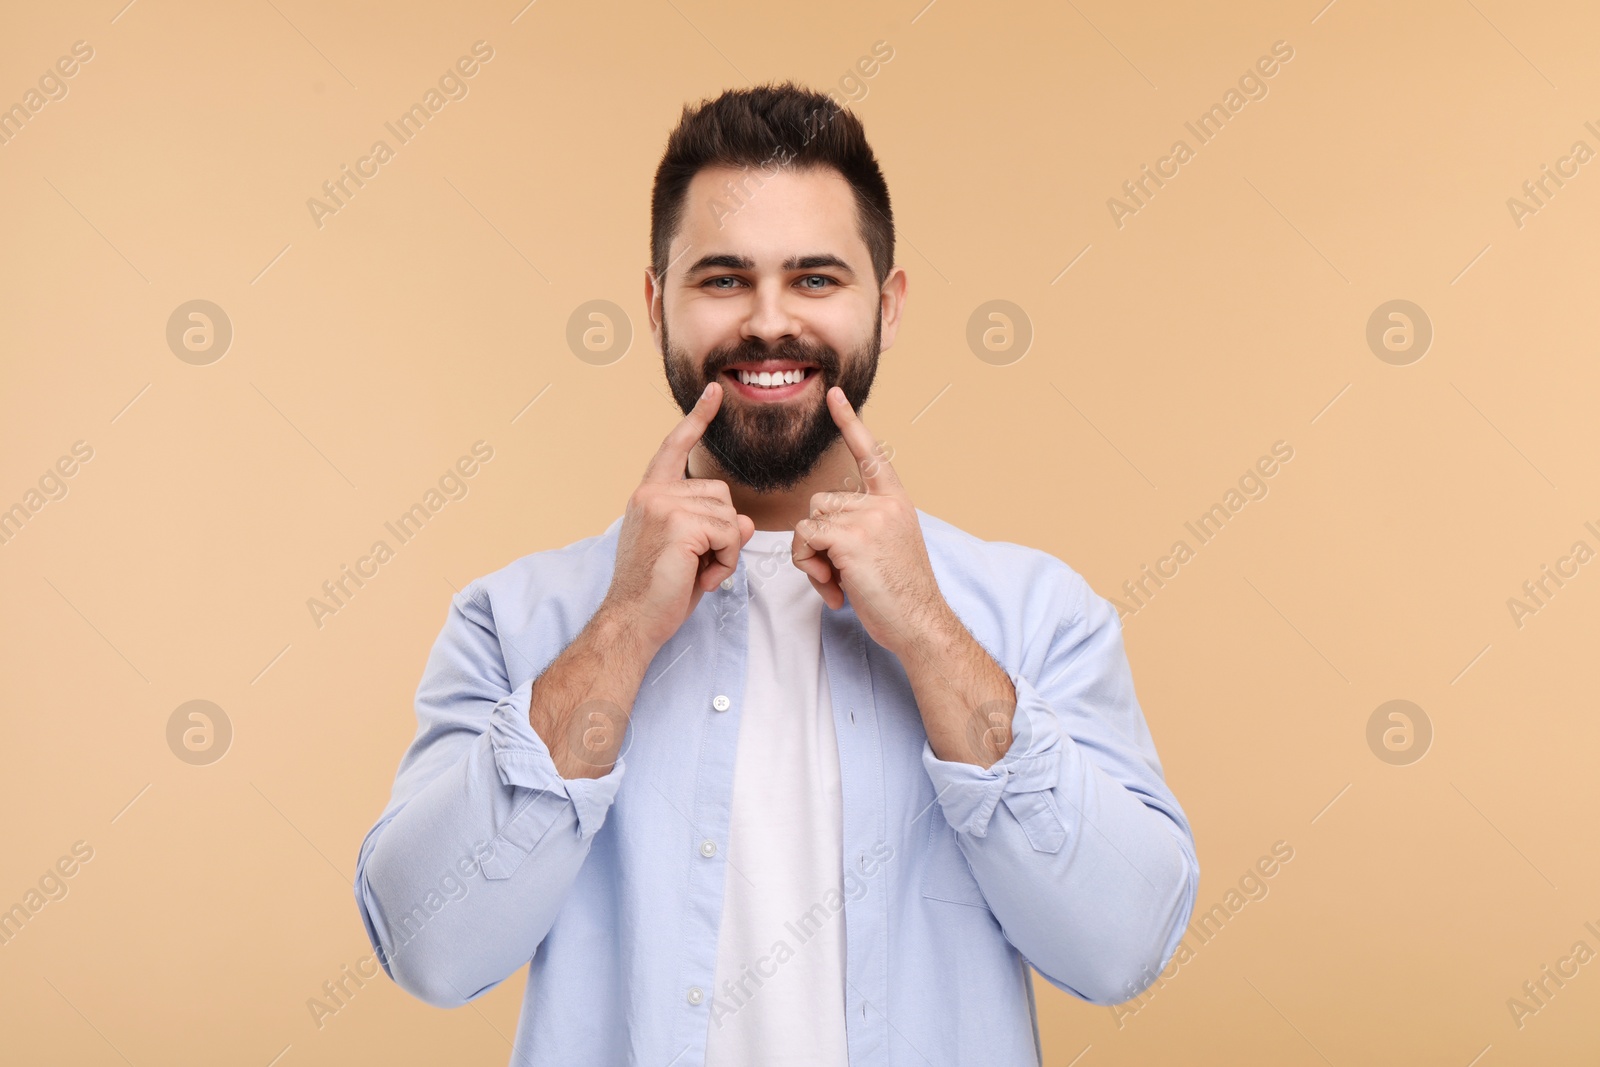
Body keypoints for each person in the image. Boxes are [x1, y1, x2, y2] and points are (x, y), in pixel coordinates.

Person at [354, 81, 1198, 1066]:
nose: (768, 321)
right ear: (657, 303)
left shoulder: (1035, 613)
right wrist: (623, 626)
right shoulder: (515, 618)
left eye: (815, 278)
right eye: (721, 278)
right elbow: (428, 948)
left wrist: (928, 632)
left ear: (885, 306)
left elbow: (1122, 946)